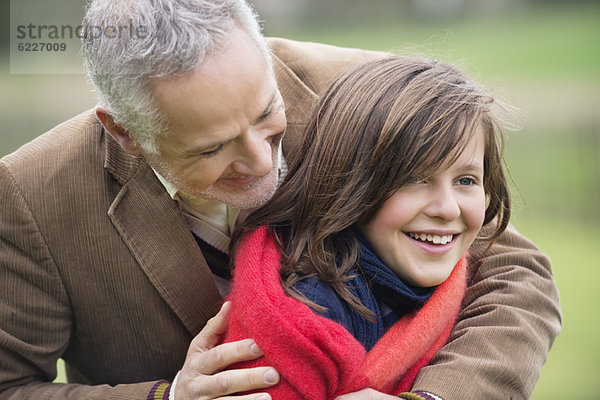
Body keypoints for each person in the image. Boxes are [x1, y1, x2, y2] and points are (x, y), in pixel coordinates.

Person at [0, 0, 560, 399]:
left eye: (268, 115)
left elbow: (516, 273)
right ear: (123, 131)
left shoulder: (363, 96)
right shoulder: (30, 194)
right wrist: (169, 398)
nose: (264, 162)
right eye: (214, 147)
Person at [222, 55, 510, 399]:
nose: (448, 209)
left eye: (466, 179)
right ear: (351, 184)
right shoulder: (310, 307)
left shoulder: (429, 265)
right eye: (415, 179)